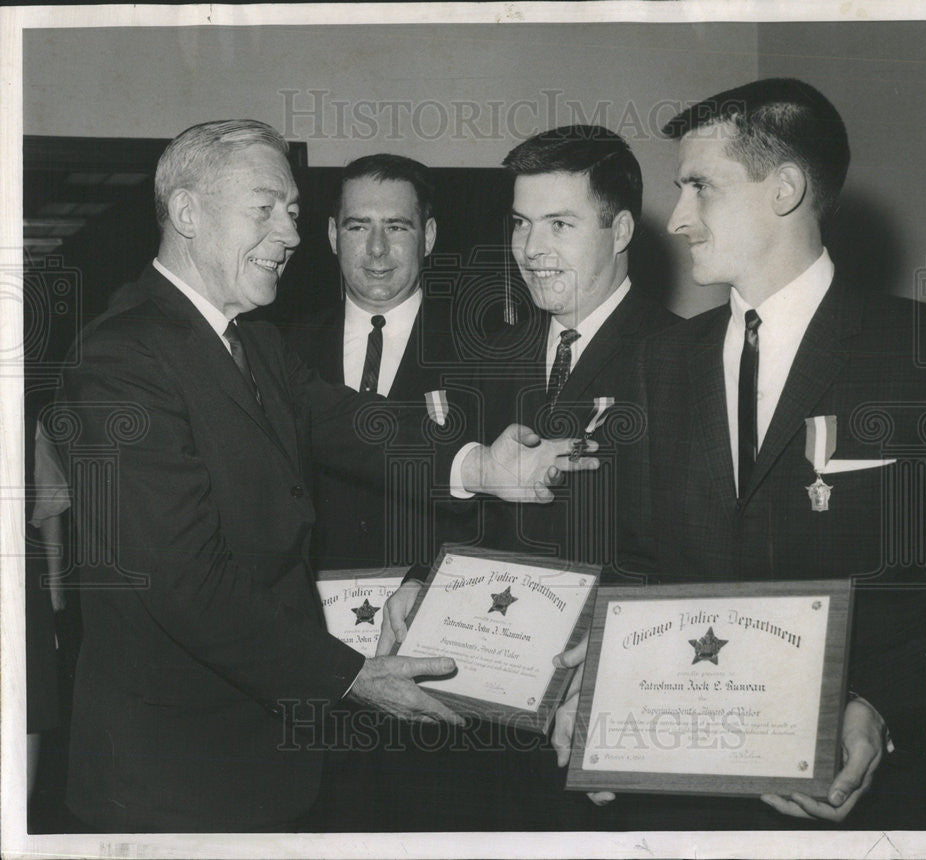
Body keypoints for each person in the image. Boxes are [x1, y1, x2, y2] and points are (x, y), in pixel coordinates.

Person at [54, 119, 598, 832]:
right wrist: (350, 675)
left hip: (259, 763)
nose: (289, 234)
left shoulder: (250, 341)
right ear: (186, 213)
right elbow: (184, 582)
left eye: (293, 213)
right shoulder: (123, 360)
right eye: (265, 209)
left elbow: (349, 423)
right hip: (173, 777)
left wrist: (480, 466)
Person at [552, 79, 926, 829]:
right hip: (683, 797)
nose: (675, 220)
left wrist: (881, 704)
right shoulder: (659, 362)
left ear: (785, 189)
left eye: (699, 188)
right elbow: (637, 561)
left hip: (870, 805)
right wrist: (600, 685)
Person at [370, 126, 678, 830]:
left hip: (597, 712)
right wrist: (421, 575)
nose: (532, 250)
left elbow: (691, 551)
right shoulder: (487, 358)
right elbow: (465, 507)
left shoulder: (678, 359)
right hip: (473, 720)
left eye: (560, 225)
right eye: (520, 224)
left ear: (621, 228)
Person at [288, 154, 461, 571]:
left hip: (432, 608)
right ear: (333, 235)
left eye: (397, 226)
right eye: (358, 226)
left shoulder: (482, 352)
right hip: (311, 612)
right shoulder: (285, 351)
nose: (377, 248)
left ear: (429, 236)